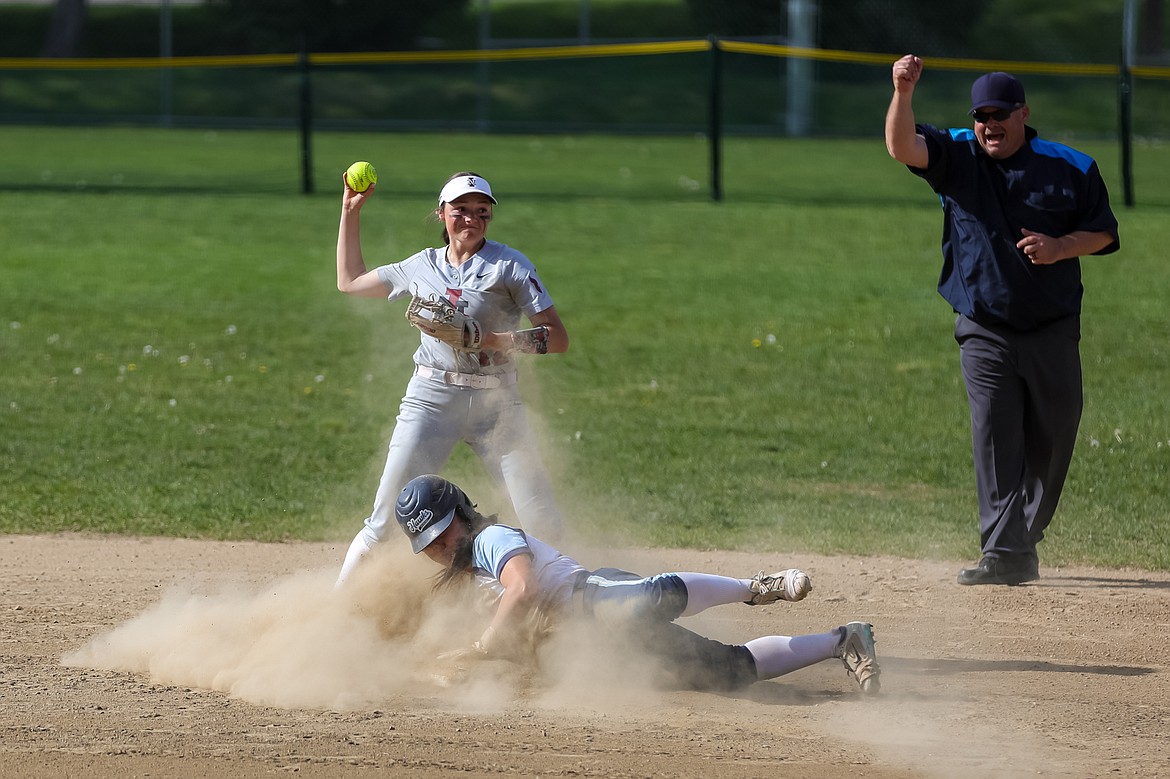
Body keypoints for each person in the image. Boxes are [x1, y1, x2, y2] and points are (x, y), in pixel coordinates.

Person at [884, 56, 1120, 586]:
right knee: (994, 433)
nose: (989, 124)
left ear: (1023, 114)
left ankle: (1022, 538)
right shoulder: (959, 155)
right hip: (984, 325)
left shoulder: (1071, 167)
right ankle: (1004, 551)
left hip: (1052, 327)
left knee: (1055, 435)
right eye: (981, 115)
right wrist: (903, 91)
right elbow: (903, 147)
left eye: (1000, 114)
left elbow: (1104, 232)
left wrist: (1061, 247)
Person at [394, 474, 882, 695]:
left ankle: (753, 586)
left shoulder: (491, 539)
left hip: (593, 599)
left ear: (462, 513)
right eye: (429, 544)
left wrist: (482, 646)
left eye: (443, 532)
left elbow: (524, 590)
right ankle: (844, 640)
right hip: (602, 645)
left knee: (650, 598)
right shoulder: (465, 581)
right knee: (730, 671)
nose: (440, 547)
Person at [333, 171, 570, 587]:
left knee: (542, 520)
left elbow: (557, 337)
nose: (471, 219)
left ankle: (564, 613)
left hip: (498, 407)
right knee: (384, 521)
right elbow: (350, 282)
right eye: (460, 209)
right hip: (432, 398)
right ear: (441, 214)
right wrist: (349, 212)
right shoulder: (420, 266)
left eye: (482, 212)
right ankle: (334, 613)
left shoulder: (510, 266)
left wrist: (494, 339)